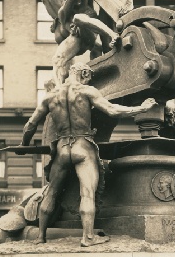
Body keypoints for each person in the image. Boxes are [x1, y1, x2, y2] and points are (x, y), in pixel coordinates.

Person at [19, 62, 157, 247]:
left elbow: (30, 125)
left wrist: (24, 144)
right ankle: (88, 237)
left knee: (51, 193)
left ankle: (40, 236)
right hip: (82, 146)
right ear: (83, 73)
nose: (89, 79)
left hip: (61, 148)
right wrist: (141, 109)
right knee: (87, 194)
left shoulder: (50, 97)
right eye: (89, 76)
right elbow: (112, 110)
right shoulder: (87, 91)